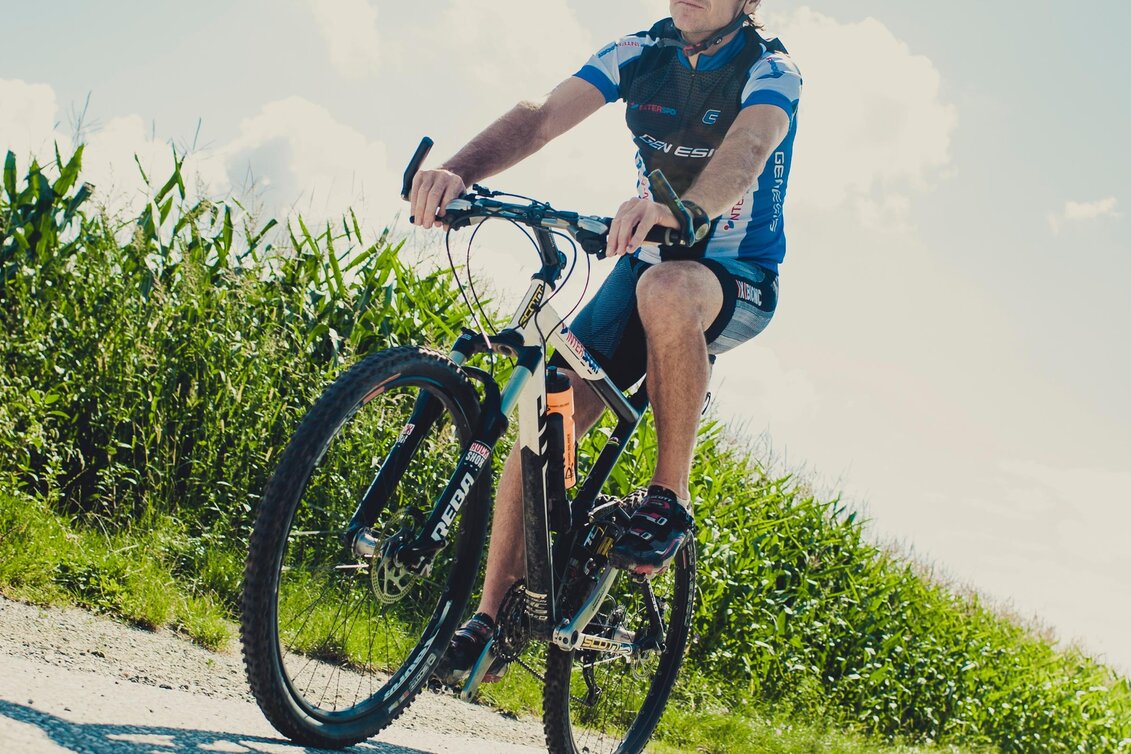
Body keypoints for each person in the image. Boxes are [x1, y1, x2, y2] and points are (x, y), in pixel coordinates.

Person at [407, 0, 801, 684]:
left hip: (732, 277)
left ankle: (666, 496)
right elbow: (538, 118)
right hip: (644, 264)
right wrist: (460, 172)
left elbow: (747, 150)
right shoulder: (637, 52)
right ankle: (491, 618)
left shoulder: (770, 70)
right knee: (540, 420)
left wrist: (682, 211)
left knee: (667, 290)